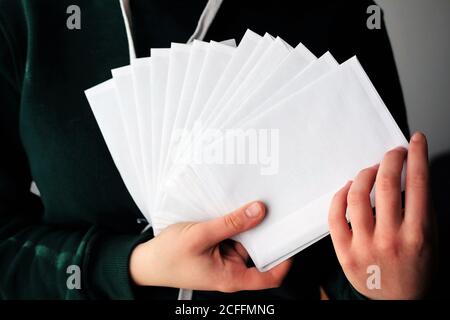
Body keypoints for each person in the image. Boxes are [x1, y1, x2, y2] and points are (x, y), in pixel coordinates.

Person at [0, 0, 435, 299]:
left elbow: (376, 245)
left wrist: (391, 292)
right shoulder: (25, 12)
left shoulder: (337, 10)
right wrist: (133, 265)